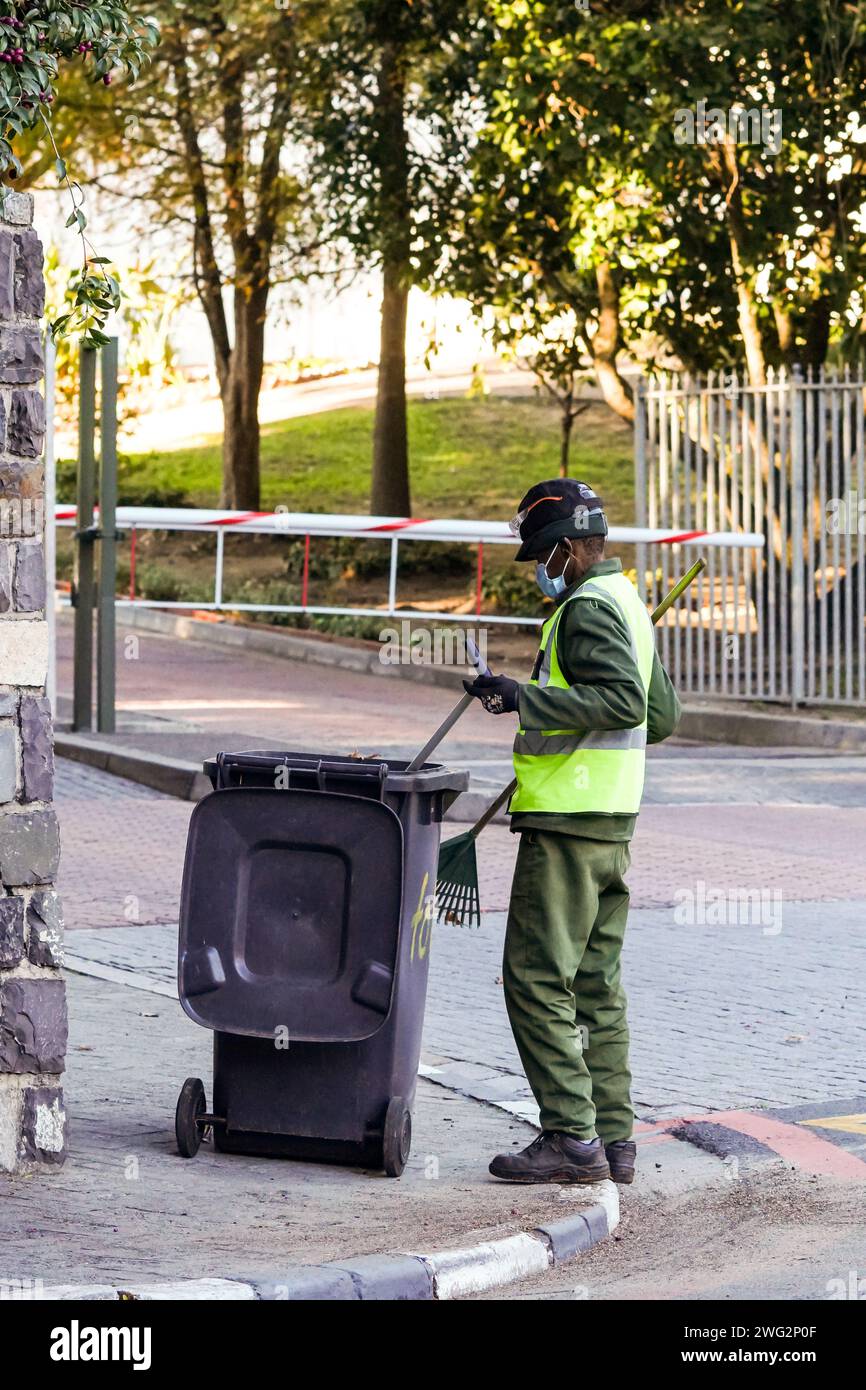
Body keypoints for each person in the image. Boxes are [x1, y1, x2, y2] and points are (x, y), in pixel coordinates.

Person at [462, 479, 681, 1185]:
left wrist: (526, 696)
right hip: (613, 826)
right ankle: (615, 1142)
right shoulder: (628, 603)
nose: (538, 569)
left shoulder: (586, 608)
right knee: (596, 987)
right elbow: (662, 715)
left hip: (567, 825)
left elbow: (620, 703)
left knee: (534, 979)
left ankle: (570, 1139)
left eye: (540, 555)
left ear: (564, 548)